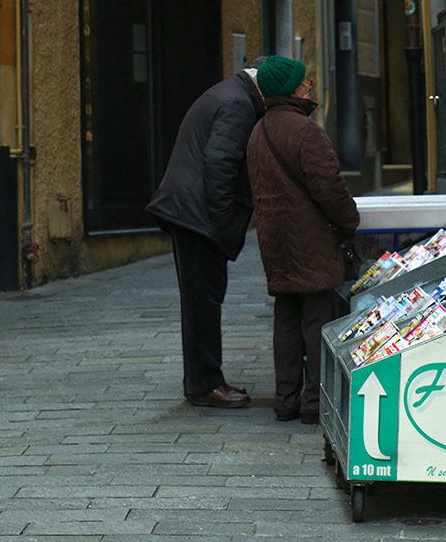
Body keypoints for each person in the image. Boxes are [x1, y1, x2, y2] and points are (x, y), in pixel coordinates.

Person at [147, 59, 266, 408]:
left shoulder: (229, 94)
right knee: (203, 302)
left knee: (201, 299)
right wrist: (222, 220)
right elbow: (220, 163)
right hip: (197, 217)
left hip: (190, 212)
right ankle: (205, 384)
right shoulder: (239, 104)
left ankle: (203, 380)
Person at [246, 55, 359, 424]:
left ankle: (285, 400)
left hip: (274, 239)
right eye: (304, 81)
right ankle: (314, 403)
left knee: (287, 317)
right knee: (316, 318)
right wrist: (350, 221)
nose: (309, 84)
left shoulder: (257, 131)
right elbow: (329, 187)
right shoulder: (305, 131)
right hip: (309, 239)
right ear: (292, 88)